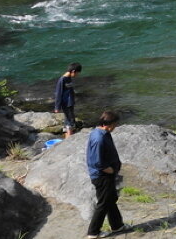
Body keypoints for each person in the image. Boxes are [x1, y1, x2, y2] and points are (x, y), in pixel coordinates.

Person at [85, 110, 124, 238]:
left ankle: (117, 226)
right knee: (103, 203)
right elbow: (97, 162)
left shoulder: (102, 133)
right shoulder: (99, 138)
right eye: (115, 124)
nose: (116, 127)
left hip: (105, 175)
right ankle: (93, 232)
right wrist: (110, 170)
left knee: (111, 199)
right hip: (102, 176)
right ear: (109, 124)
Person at [54, 63, 81, 141]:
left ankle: (66, 138)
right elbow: (58, 94)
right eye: (77, 73)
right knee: (70, 121)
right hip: (66, 103)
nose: (77, 75)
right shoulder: (62, 80)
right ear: (73, 71)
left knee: (68, 119)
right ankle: (69, 139)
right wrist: (57, 107)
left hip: (70, 102)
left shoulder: (69, 78)